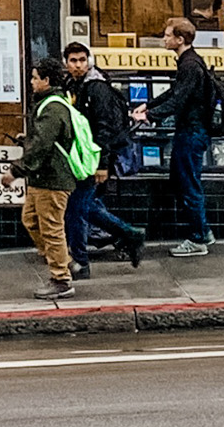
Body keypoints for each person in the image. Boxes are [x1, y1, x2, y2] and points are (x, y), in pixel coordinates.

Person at [134, 19, 220, 257]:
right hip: (190, 131)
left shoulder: (190, 65)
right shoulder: (189, 62)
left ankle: (197, 240)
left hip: (192, 132)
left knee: (188, 184)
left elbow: (178, 99)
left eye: (168, 35)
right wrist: (149, 105)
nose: (164, 38)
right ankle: (203, 231)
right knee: (185, 181)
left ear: (180, 40)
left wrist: (149, 115)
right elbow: (174, 92)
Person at [63, 43, 146, 272]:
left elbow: (105, 128)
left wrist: (102, 164)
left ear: (88, 60)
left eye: (82, 59)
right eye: (73, 60)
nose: (78, 65)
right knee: (85, 207)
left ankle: (80, 262)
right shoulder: (73, 85)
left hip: (93, 158)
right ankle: (130, 234)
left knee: (77, 210)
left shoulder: (96, 88)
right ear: (66, 63)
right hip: (82, 156)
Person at [13, 56, 88, 296]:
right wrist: (27, 141)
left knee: (52, 228)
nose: (32, 82)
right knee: (31, 220)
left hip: (52, 179)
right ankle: (65, 260)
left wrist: (16, 170)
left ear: (46, 80)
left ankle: (61, 280)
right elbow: (47, 140)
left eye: (35, 78)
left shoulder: (53, 107)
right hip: (41, 178)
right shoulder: (49, 104)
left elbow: (44, 144)